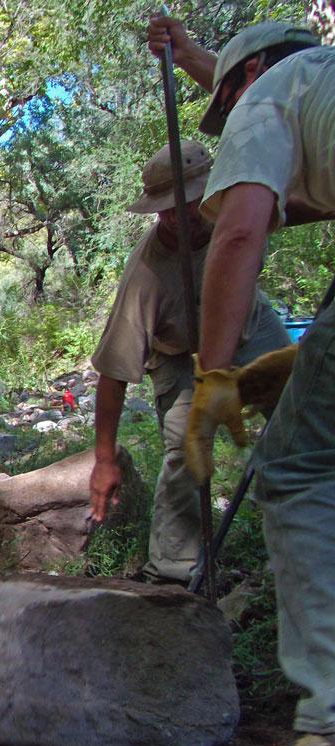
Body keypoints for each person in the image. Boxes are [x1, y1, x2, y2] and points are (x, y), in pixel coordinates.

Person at [159, 18, 334, 746]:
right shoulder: (315, 79)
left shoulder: (269, 92)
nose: (232, 132)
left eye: (226, 110)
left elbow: (237, 234)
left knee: (294, 470)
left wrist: (216, 374)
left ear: (250, 76)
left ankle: (329, 731)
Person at [87, 142, 288, 583]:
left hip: (249, 327)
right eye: (165, 210)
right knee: (185, 447)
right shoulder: (147, 275)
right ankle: (174, 571)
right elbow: (114, 373)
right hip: (179, 355)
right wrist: (105, 459)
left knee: (299, 412)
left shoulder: (241, 209)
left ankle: (302, 524)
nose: (177, 217)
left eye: (187, 204)